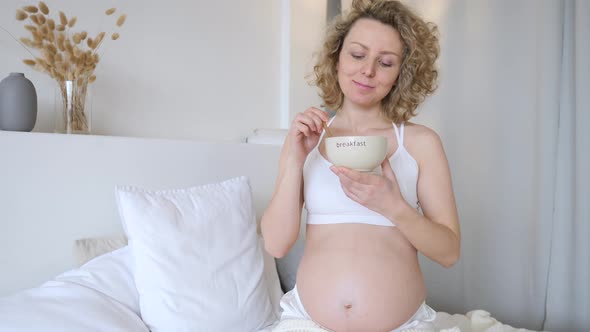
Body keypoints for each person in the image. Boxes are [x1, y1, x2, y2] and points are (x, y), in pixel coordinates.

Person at [261, 1, 460, 331]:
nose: (368, 70)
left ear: (401, 73)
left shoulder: (422, 143)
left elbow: (449, 252)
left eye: (385, 62)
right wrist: (296, 159)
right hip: (308, 321)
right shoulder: (304, 138)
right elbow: (275, 244)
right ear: (337, 57)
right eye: (357, 55)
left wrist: (394, 207)